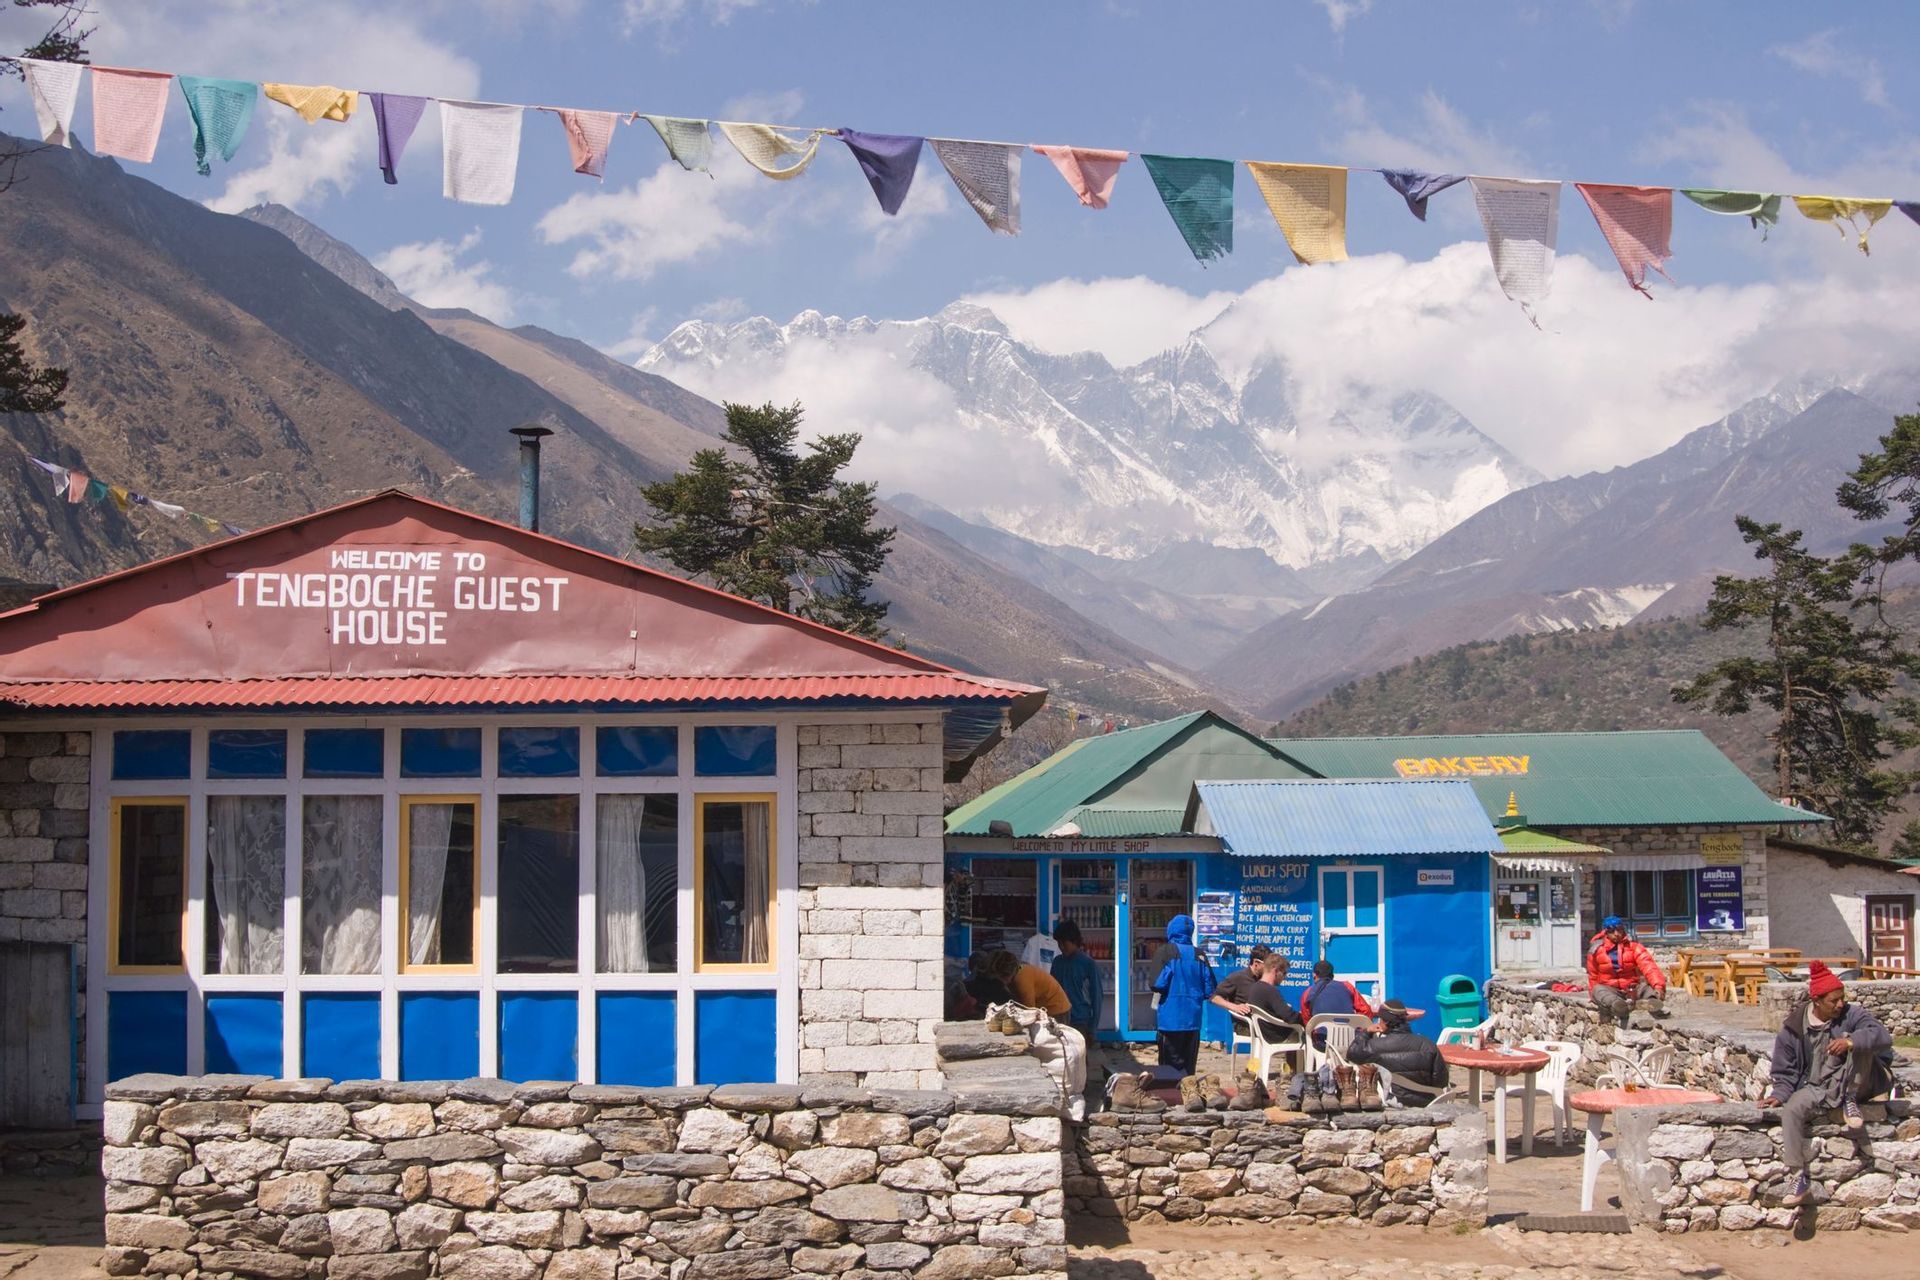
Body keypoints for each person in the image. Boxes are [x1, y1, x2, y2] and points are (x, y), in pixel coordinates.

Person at [1769, 961, 1895, 1207]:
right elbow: (1785, 1070)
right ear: (1816, 1000)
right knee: (1793, 1109)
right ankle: (1797, 1176)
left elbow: (1882, 1036)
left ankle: (1850, 1099)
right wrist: (1780, 1093)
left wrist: (1851, 1041)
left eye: (1842, 999)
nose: (1840, 1004)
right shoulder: (1793, 1029)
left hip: (1859, 1081)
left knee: (1859, 1043)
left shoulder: (1852, 1014)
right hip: (1817, 1086)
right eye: (1833, 1001)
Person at [1346, 998, 1449, 1108]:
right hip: (1426, 1101)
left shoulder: (1375, 1046)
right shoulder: (1428, 1044)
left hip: (1393, 1100)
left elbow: (1352, 1054)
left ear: (1385, 1022)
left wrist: (1366, 1032)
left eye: (1380, 1019)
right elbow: (1441, 1081)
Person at [1152, 914, 1214, 1076]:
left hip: (1170, 1019)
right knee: (1189, 1066)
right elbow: (1210, 989)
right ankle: (1190, 1096)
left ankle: (1170, 1095)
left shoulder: (1164, 952)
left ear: (1171, 929)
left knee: (1168, 1067)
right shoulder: (1200, 955)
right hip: (1193, 1019)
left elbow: (1157, 984)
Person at [1585, 916, 1667, 1028]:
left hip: (1632, 987)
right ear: (1605, 932)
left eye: (1619, 930)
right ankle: (1618, 1005)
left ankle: (1651, 1001)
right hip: (1610, 987)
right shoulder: (1596, 950)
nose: (1616, 934)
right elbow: (1593, 974)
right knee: (1598, 990)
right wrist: (1593, 995)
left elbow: (1649, 966)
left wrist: (1658, 986)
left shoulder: (1634, 947)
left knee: (1646, 988)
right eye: (1612, 931)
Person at [1210, 946, 1301, 1038]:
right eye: (1267, 964)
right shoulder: (1238, 978)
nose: (1269, 967)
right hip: (1246, 1026)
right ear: (1256, 963)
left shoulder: (1265, 981)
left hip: (1264, 1024)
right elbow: (1214, 998)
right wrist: (1235, 1007)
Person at [1050, 918, 1103, 1050]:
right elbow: (1051, 991)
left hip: (1080, 1022)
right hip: (1059, 1019)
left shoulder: (1088, 964)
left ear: (1074, 941)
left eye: (1064, 943)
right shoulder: (1057, 962)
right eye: (1059, 943)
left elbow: (1097, 997)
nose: (1061, 947)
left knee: (1080, 1063)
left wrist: (1092, 1029)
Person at [979, 946, 1071, 1018]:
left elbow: (1029, 1013)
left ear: (1006, 975)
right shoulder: (1017, 974)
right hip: (1046, 1008)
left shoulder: (1022, 980)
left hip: (1056, 1010)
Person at [1300, 959, 1373, 1022]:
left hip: (1321, 1036)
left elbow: (1307, 1021)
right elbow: (1366, 1011)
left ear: (1314, 975)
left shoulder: (1307, 993)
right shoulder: (1347, 986)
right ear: (1332, 976)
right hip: (1349, 1035)